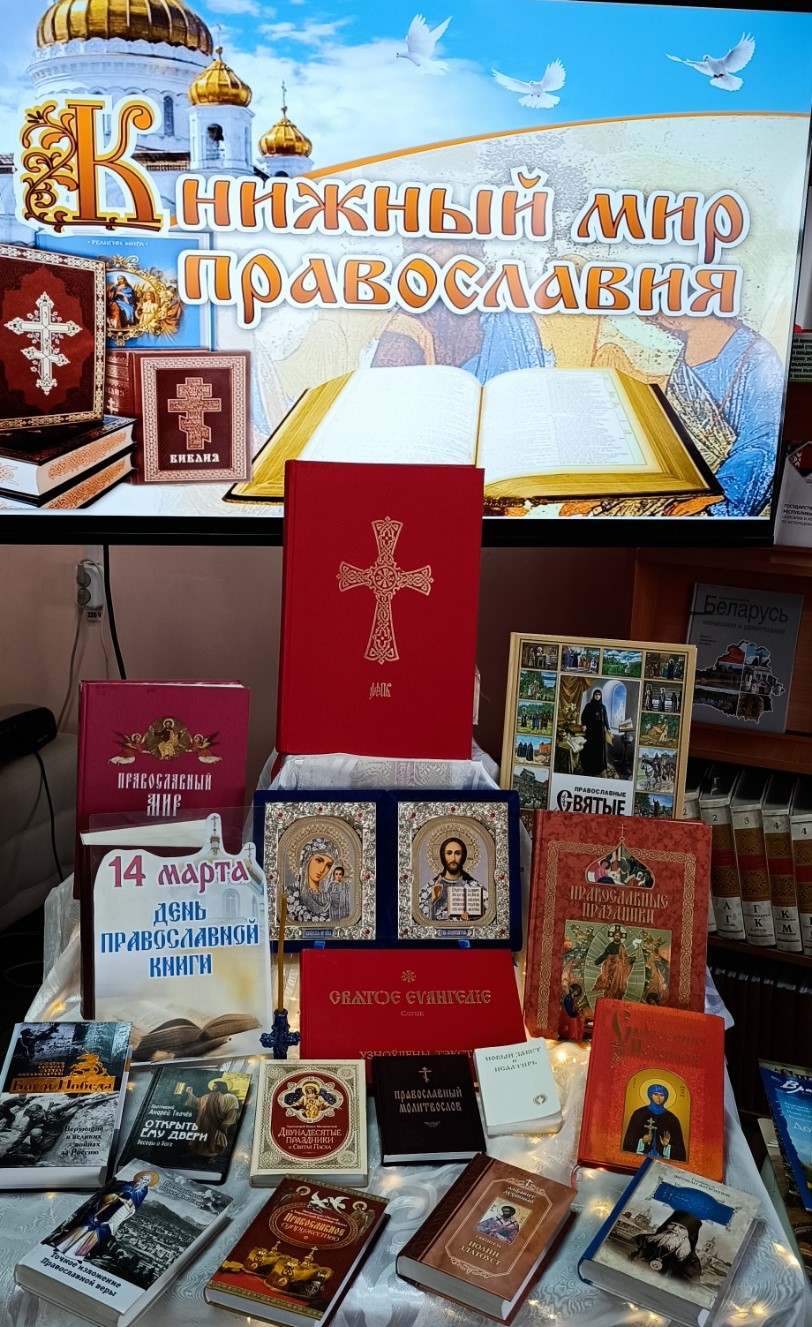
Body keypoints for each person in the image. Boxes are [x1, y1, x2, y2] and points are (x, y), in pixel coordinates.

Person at [52, 1172, 154, 1258]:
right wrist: (118, 1197)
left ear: (148, 1183)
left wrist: (128, 1205)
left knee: (101, 1231)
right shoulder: (128, 1185)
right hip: (107, 1208)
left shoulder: (143, 1192)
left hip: (121, 1212)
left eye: (146, 1180)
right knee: (87, 1226)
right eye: (143, 1178)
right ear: (139, 1178)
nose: (143, 1181)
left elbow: (136, 1204)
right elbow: (111, 1196)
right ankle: (63, 1246)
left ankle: (80, 1253)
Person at [622, 1083, 687, 1161]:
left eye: (662, 1095)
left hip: (662, 1161)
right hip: (640, 1159)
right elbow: (627, 1144)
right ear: (650, 1095)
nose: (658, 1098)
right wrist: (642, 1141)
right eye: (655, 1094)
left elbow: (680, 1152)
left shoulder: (672, 1119)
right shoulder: (639, 1114)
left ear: (666, 1097)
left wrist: (667, 1147)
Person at [630, 1209, 702, 1279]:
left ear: (688, 1235)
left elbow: (686, 1284)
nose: (674, 1229)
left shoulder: (691, 1259)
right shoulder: (643, 1239)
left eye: (681, 1228)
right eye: (672, 1224)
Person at [185, 1078, 241, 1158]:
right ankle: (200, 1151)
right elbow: (197, 1102)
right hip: (203, 1120)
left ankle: (211, 1152)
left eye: (215, 1086)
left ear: (221, 1086)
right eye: (213, 1086)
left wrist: (226, 1123)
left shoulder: (228, 1097)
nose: (213, 1087)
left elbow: (231, 1111)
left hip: (216, 1122)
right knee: (202, 1135)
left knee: (213, 1137)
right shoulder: (207, 1097)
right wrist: (190, 1093)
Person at [429, 837, 480, 921]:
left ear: (463, 856)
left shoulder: (474, 886)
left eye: (458, 853)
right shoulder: (431, 887)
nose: (453, 858)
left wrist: (468, 920)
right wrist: (433, 901)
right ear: (443, 856)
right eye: (449, 853)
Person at [293, 837, 339, 921]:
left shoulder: (328, 897)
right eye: (319, 861)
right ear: (308, 860)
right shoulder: (293, 894)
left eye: (328, 866)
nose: (322, 870)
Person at [591, 926, 636, 1001]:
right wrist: (596, 962)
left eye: (618, 936)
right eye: (616, 935)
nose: (617, 937)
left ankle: (615, 998)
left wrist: (631, 959)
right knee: (609, 983)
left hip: (618, 968)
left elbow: (624, 958)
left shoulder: (622, 946)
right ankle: (608, 998)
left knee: (617, 983)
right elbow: (604, 955)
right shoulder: (610, 945)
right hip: (609, 966)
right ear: (613, 937)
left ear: (620, 937)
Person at [580, 689, 611, 776]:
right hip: (591, 730)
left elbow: (605, 718)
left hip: (600, 730)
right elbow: (583, 716)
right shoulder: (588, 706)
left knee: (599, 749)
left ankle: (599, 767)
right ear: (593, 695)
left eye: (599, 695)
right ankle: (589, 767)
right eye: (596, 694)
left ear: (601, 696)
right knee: (590, 748)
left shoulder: (603, 707)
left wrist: (608, 728)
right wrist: (584, 725)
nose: (597, 696)